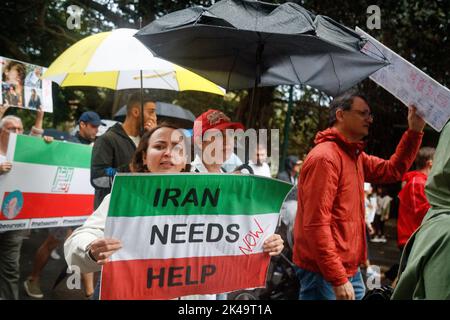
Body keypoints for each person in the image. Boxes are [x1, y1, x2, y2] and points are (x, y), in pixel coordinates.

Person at [65, 124, 284, 300]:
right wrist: (91, 250)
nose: (169, 153)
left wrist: (264, 243)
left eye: (178, 149)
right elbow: (79, 240)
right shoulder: (125, 199)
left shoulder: (212, 200)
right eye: (159, 146)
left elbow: (232, 239)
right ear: (143, 157)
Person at [292, 89, 425, 300]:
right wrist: (337, 278)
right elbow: (316, 224)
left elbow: (393, 170)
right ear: (340, 115)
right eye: (363, 113)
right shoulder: (325, 158)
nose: (369, 120)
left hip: (347, 270)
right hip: (325, 273)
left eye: (369, 114)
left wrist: (414, 131)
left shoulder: (354, 156)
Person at [23, 111, 104, 299]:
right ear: (82, 125)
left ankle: (90, 293)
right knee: (51, 243)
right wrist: (49, 145)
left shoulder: (98, 146)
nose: (96, 129)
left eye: (98, 126)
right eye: (93, 126)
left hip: (85, 207)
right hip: (65, 206)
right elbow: (51, 161)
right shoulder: (67, 143)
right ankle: (33, 278)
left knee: (86, 245)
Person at [392, 121, 450, 300]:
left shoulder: (417, 183)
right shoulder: (419, 183)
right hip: (414, 236)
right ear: (432, 163)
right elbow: (422, 210)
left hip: (418, 236)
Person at [0, 109, 46, 300]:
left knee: (11, 268)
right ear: (2, 130)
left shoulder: (22, 150)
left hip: (12, 220)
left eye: (20, 129)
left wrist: (40, 119)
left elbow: (35, 140)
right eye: (12, 128)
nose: (17, 133)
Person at [91, 92, 157, 209]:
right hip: (113, 214)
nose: (154, 117)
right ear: (136, 112)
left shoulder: (146, 141)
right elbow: (98, 178)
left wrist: (154, 137)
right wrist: (130, 168)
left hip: (139, 211)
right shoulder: (107, 139)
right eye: (151, 112)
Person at [396, 147, 435, 250]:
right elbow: (424, 212)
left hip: (417, 240)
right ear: (430, 164)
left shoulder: (418, 181)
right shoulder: (418, 182)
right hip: (413, 240)